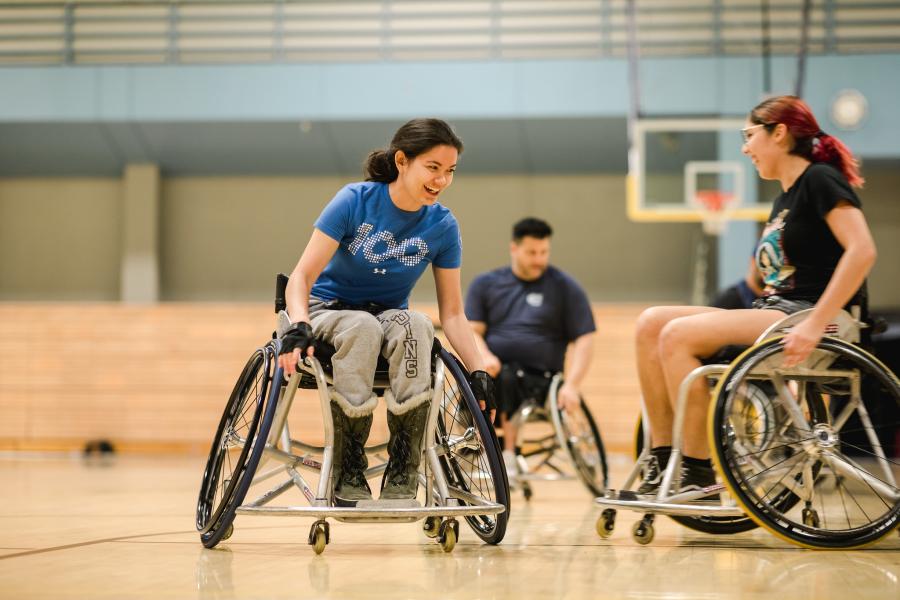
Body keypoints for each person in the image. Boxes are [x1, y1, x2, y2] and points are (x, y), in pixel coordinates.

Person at [635, 95, 877, 497]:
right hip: (778, 310)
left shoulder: (820, 180)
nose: (745, 148)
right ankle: (662, 459)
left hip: (813, 316)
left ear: (779, 133)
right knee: (650, 323)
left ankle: (698, 470)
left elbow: (863, 250)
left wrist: (816, 324)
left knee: (676, 335)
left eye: (749, 136)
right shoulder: (784, 197)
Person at [276, 118, 495, 507]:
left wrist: (477, 370)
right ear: (402, 161)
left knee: (418, 325)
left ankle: (404, 467)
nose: (441, 180)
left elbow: (455, 314)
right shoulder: (354, 201)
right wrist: (298, 325)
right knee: (361, 326)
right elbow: (301, 277)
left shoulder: (442, 226)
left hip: (387, 318)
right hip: (326, 312)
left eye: (450, 172)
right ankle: (349, 464)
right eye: (433, 168)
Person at [465, 217, 596, 480]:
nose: (539, 259)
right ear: (514, 249)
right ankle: (471, 449)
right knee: (479, 380)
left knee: (511, 376)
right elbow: (471, 331)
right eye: (532, 253)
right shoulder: (486, 284)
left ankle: (508, 456)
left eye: (544, 252)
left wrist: (573, 385)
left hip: (541, 379)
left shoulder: (564, 287)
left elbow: (586, 337)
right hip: (495, 370)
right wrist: (485, 357)